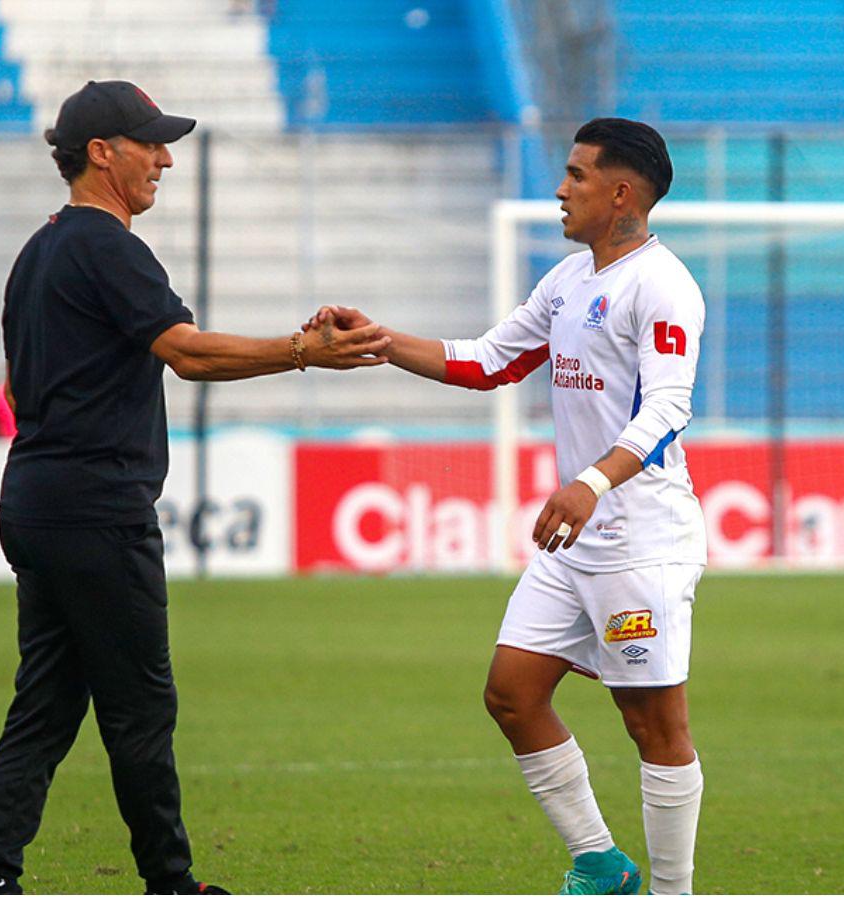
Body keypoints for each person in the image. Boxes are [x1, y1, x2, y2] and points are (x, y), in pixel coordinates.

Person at [0, 79, 390, 896]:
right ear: (101, 153)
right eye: (150, 143)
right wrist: (302, 351)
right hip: (98, 507)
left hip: (34, 498)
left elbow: (16, 387)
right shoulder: (109, 247)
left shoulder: (36, 253)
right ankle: (170, 883)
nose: (164, 159)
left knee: (47, 703)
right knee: (140, 709)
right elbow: (186, 353)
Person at [308, 118, 705, 895]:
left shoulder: (663, 286)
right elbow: (488, 360)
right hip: (576, 541)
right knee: (512, 694)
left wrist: (590, 482)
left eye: (577, 175)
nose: (560, 189)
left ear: (621, 193)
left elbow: (668, 408)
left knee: (654, 725)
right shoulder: (568, 282)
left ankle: (673, 892)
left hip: (641, 541)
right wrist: (378, 340)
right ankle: (601, 863)